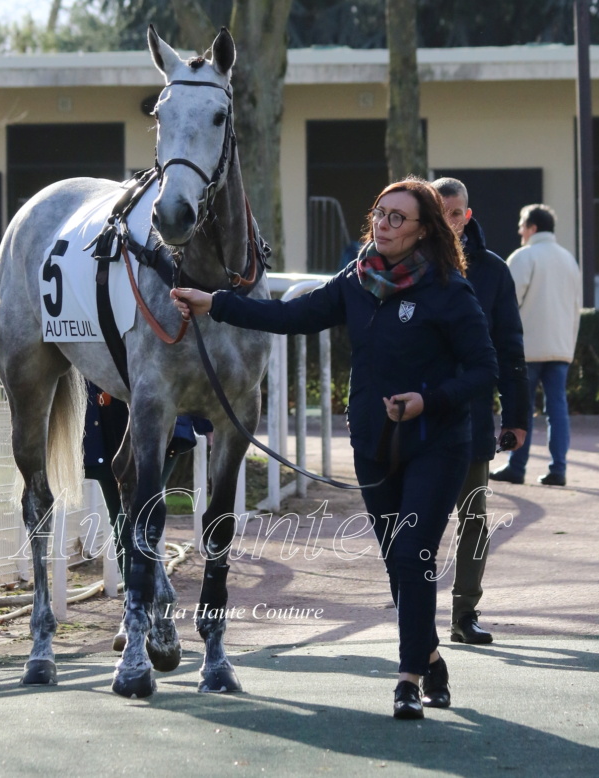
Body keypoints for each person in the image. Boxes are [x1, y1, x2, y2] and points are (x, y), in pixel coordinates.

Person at [171, 177, 498, 720]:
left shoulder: (448, 289)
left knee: (414, 553)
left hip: (437, 444)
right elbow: (291, 317)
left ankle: (408, 678)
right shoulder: (357, 280)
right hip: (374, 446)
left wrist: (429, 399)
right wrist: (214, 304)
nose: (384, 225)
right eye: (380, 214)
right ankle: (433, 656)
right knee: (400, 562)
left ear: (423, 232)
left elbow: (484, 369)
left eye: (398, 218)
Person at [432, 177, 530, 646]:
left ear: (467, 216)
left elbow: (510, 348)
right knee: (415, 522)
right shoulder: (406, 264)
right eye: (439, 211)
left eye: (455, 213)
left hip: (470, 419)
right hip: (417, 419)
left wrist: (517, 418)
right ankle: (414, 615)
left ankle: (464, 612)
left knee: (473, 517)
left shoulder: (493, 270)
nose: (448, 221)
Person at [83, 381, 211, 649]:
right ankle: (138, 609)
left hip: (161, 410)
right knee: (119, 518)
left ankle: (137, 611)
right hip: (104, 414)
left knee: (132, 518)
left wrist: (208, 418)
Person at [489, 204, 582, 487]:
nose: (519, 231)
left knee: (520, 408)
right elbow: (577, 307)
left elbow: (506, 304)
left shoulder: (524, 256)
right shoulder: (569, 259)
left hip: (526, 349)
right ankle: (559, 469)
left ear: (532, 228)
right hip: (560, 347)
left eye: (521, 225)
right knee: (557, 408)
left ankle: (516, 466)